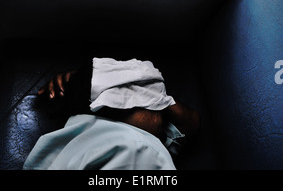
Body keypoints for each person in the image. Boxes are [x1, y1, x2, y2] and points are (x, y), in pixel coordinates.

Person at [23, 56, 200, 170]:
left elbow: (190, 122)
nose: (162, 119)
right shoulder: (139, 146)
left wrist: (85, 85)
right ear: (123, 103)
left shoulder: (61, 143)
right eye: (156, 108)